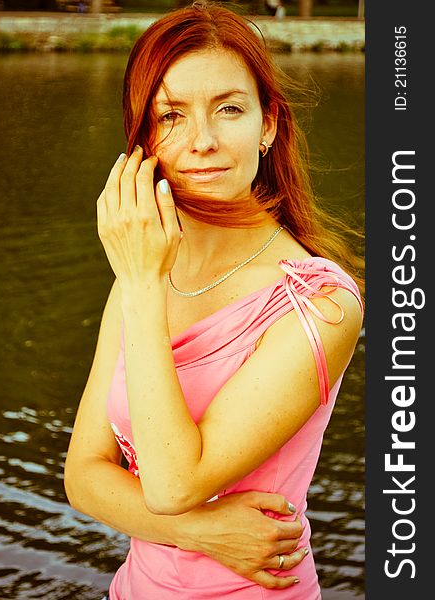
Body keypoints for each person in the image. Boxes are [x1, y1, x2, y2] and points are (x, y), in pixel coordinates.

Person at [64, 2, 364, 599]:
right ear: (144, 135)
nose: (202, 141)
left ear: (268, 124)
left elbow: (175, 484)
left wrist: (144, 288)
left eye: (229, 109)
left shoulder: (320, 302)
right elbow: (84, 475)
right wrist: (204, 533)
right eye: (171, 115)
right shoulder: (141, 267)